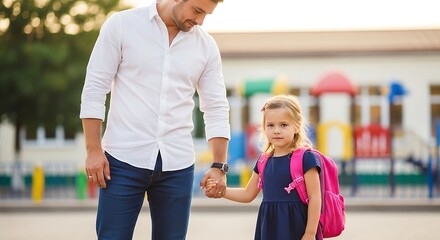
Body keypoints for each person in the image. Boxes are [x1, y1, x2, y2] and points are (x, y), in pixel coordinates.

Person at [79, 0, 230, 239]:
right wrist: (93, 149)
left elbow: (216, 107)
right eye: (198, 11)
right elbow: (95, 89)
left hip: (177, 165)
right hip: (121, 161)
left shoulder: (206, 46)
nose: (200, 21)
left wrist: (218, 165)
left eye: (206, 15)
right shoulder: (122, 25)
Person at [207, 95, 322, 240]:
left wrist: (310, 233)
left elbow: (315, 197)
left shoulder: (306, 158)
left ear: (297, 126)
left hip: (297, 227)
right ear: (264, 127)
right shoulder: (263, 161)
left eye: (284, 125)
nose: (276, 130)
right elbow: (248, 194)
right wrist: (221, 191)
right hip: (269, 227)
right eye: (270, 125)